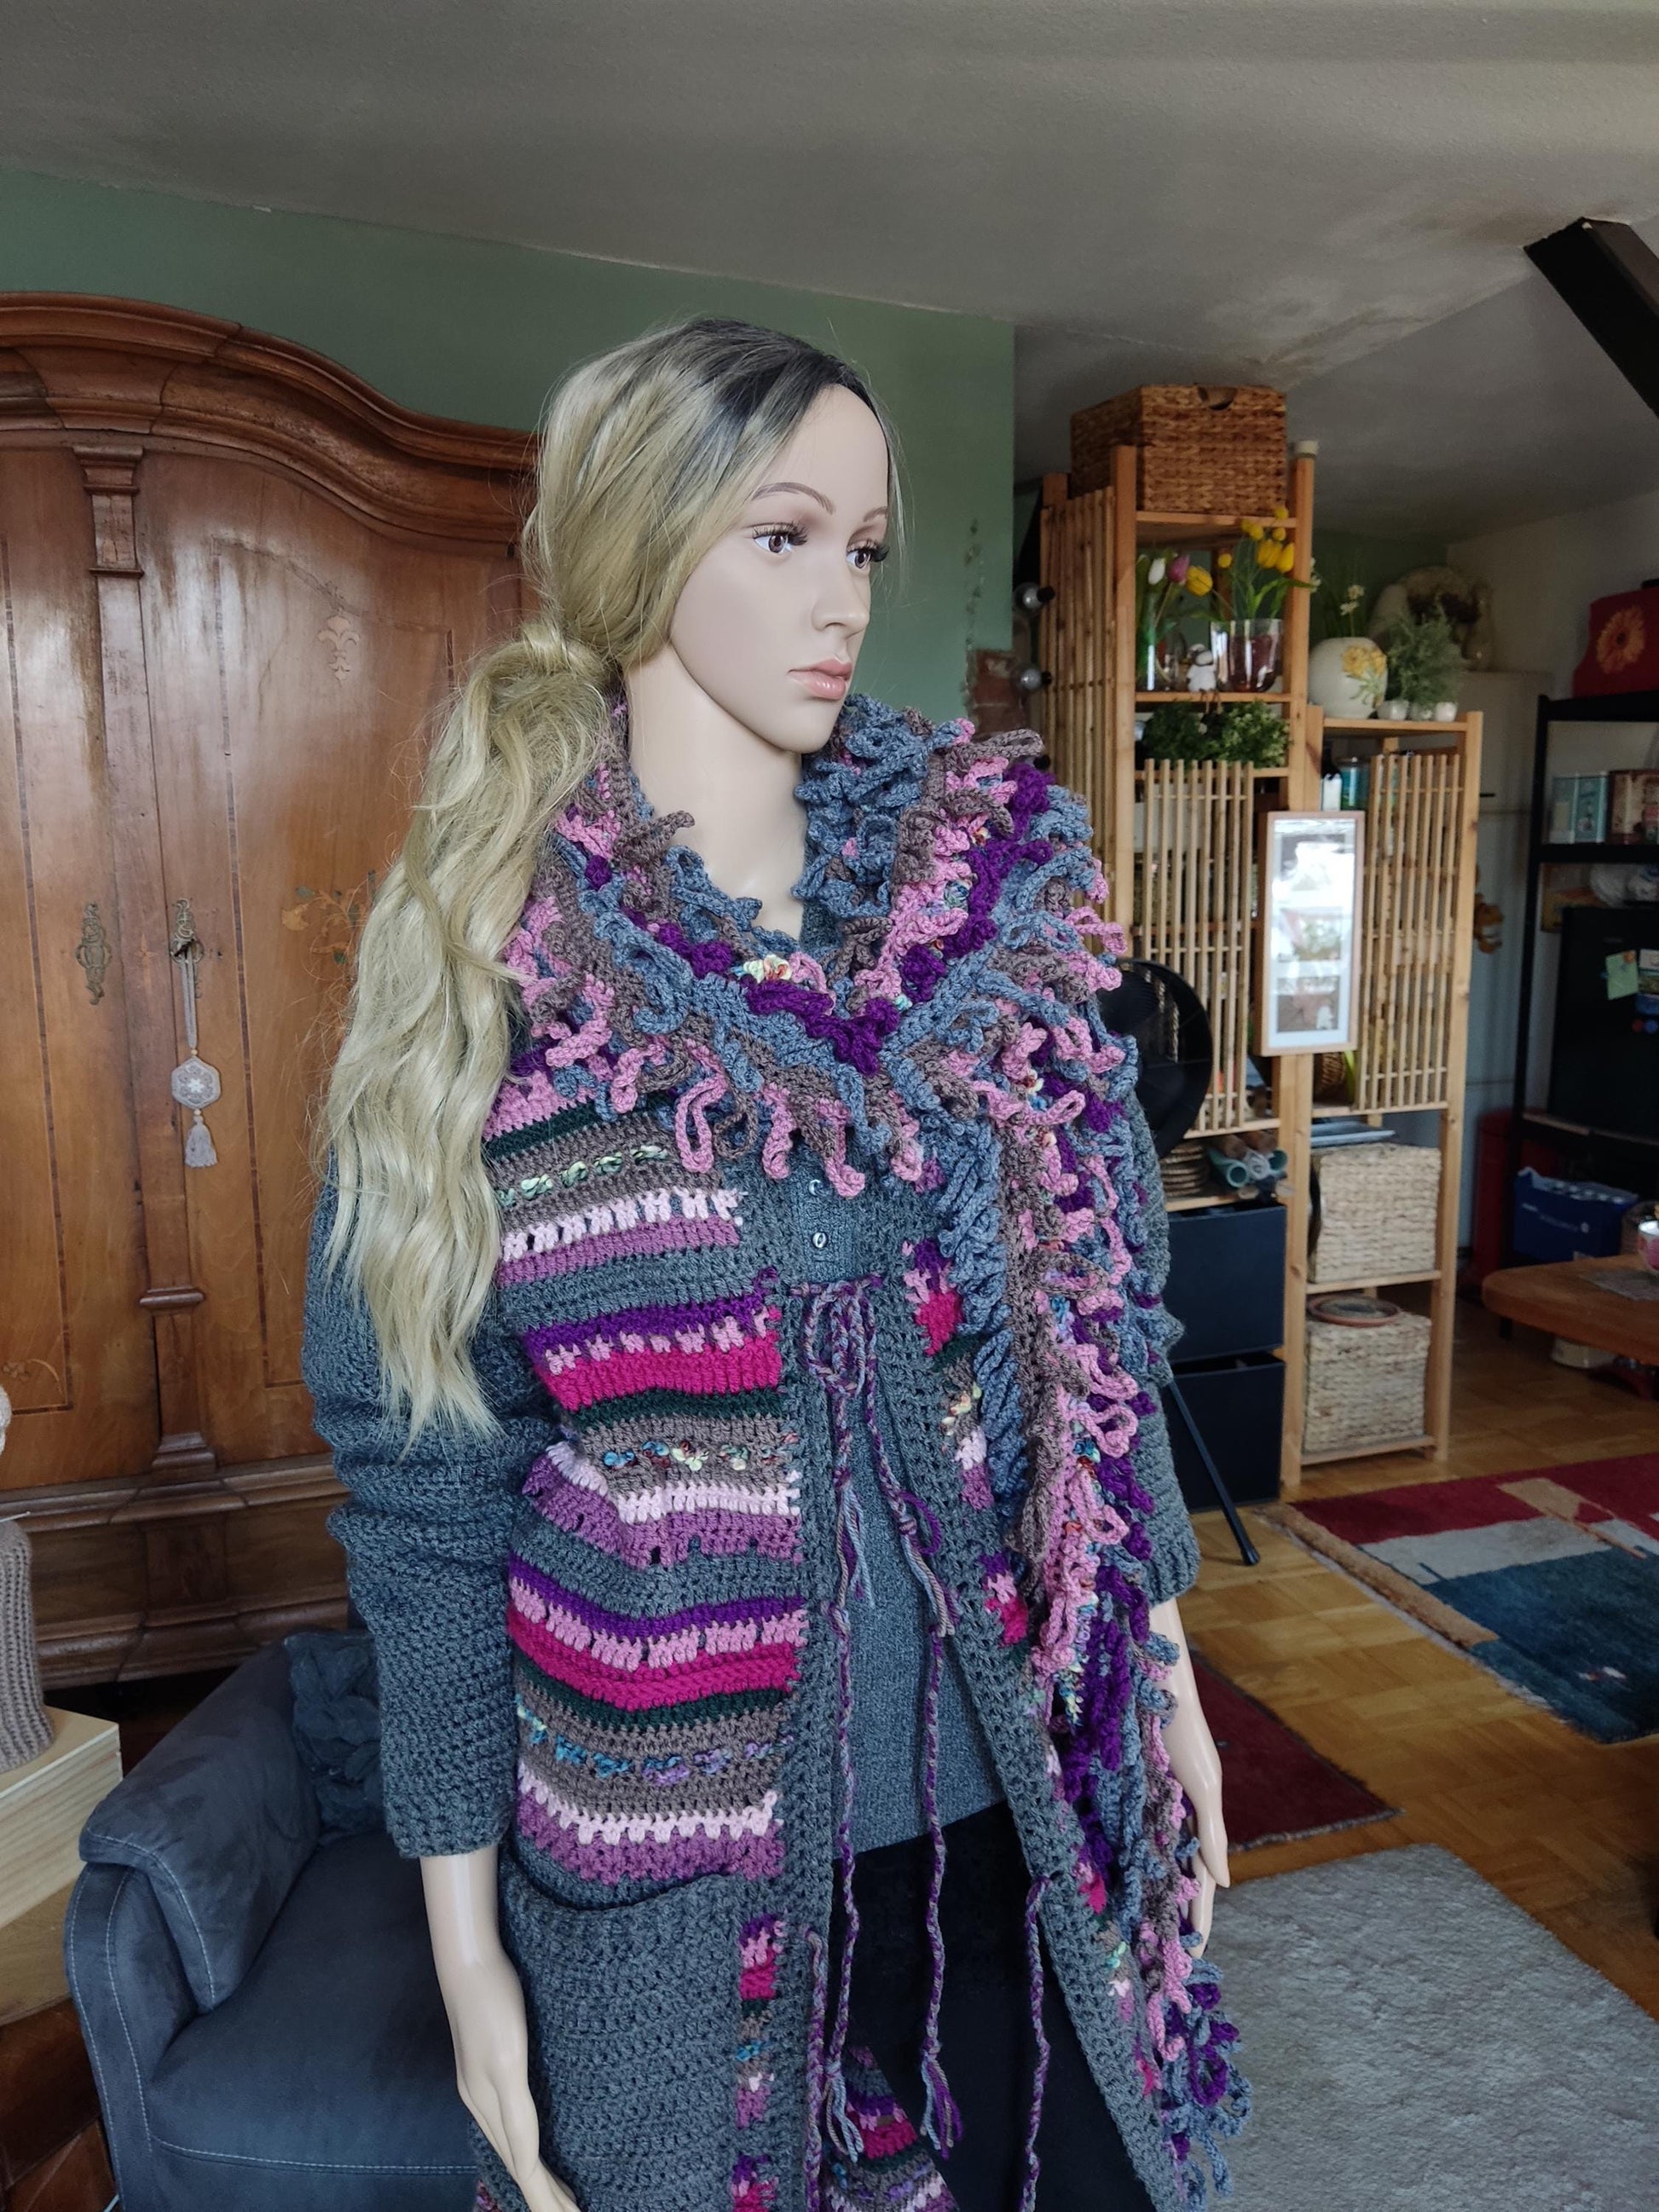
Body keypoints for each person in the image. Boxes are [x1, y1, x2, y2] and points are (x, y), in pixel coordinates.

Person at [301, 315, 1246, 2212]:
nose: (843, 602)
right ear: (640, 544)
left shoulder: (1002, 922)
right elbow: (428, 1494)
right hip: (676, 1866)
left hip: (1023, 1801)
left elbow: (1097, 1343)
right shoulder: (490, 994)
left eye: (864, 546)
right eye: (784, 534)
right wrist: (464, 1940)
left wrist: (1160, 1667)